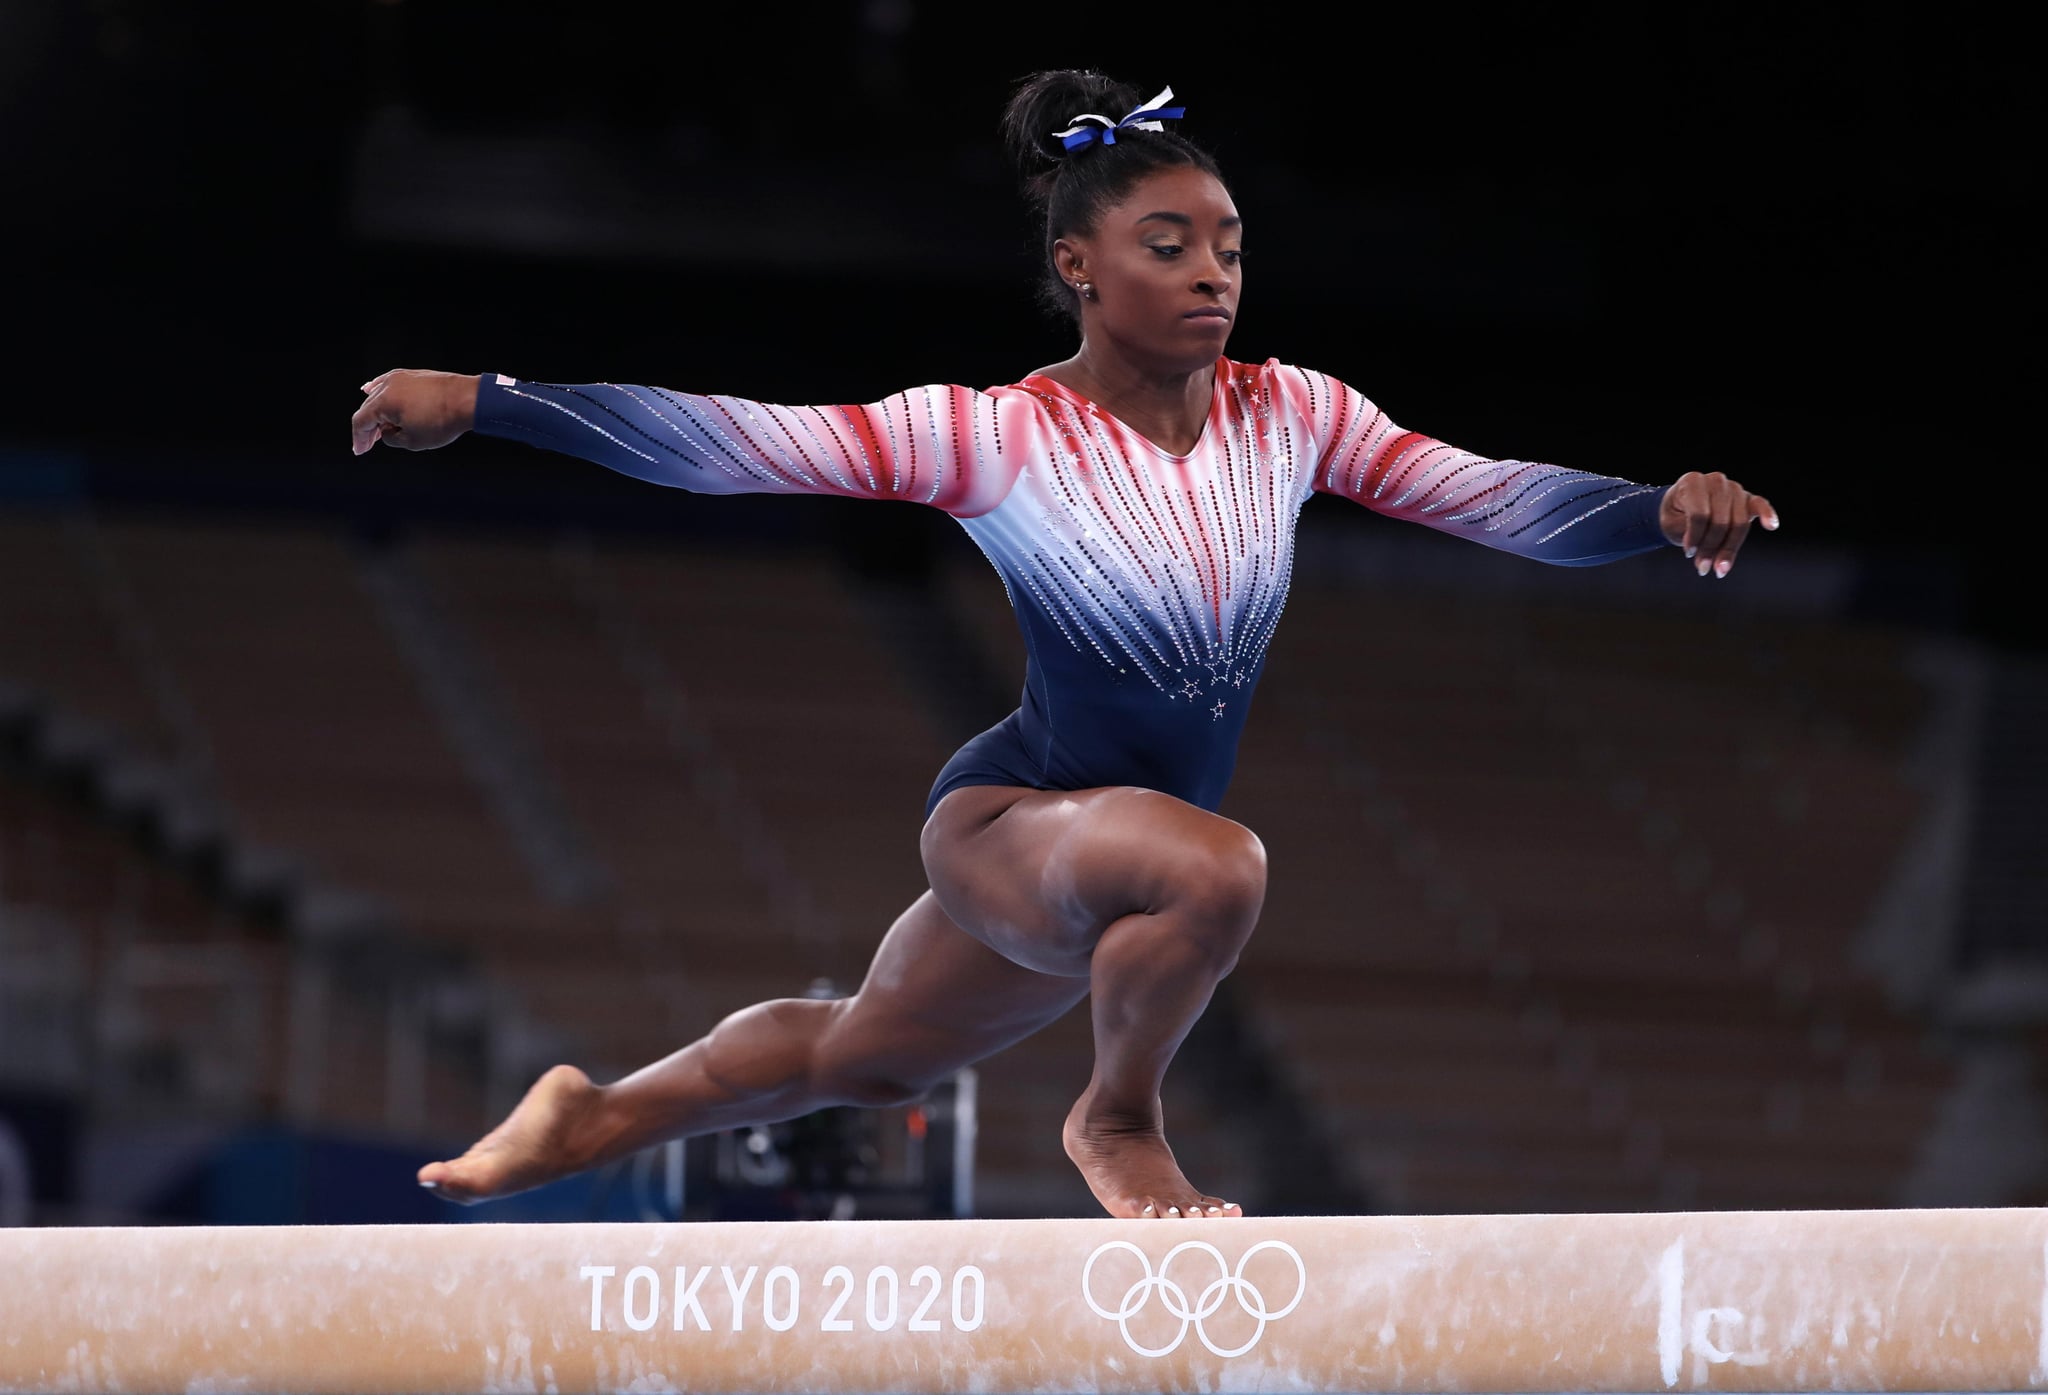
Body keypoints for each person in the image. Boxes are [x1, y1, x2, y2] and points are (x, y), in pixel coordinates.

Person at [348, 71, 1778, 1220]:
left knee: (863, 1056)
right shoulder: (995, 435)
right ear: (1079, 267)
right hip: (1014, 823)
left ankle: (592, 1117)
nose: (1212, 274)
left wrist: (1652, 509)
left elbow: (1500, 502)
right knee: (1221, 865)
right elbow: (738, 445)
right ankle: (1119, 1118)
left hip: (1109, 873)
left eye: (1229, 245)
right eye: (1169, 246)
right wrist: (490, 399)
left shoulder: (1298, 416)